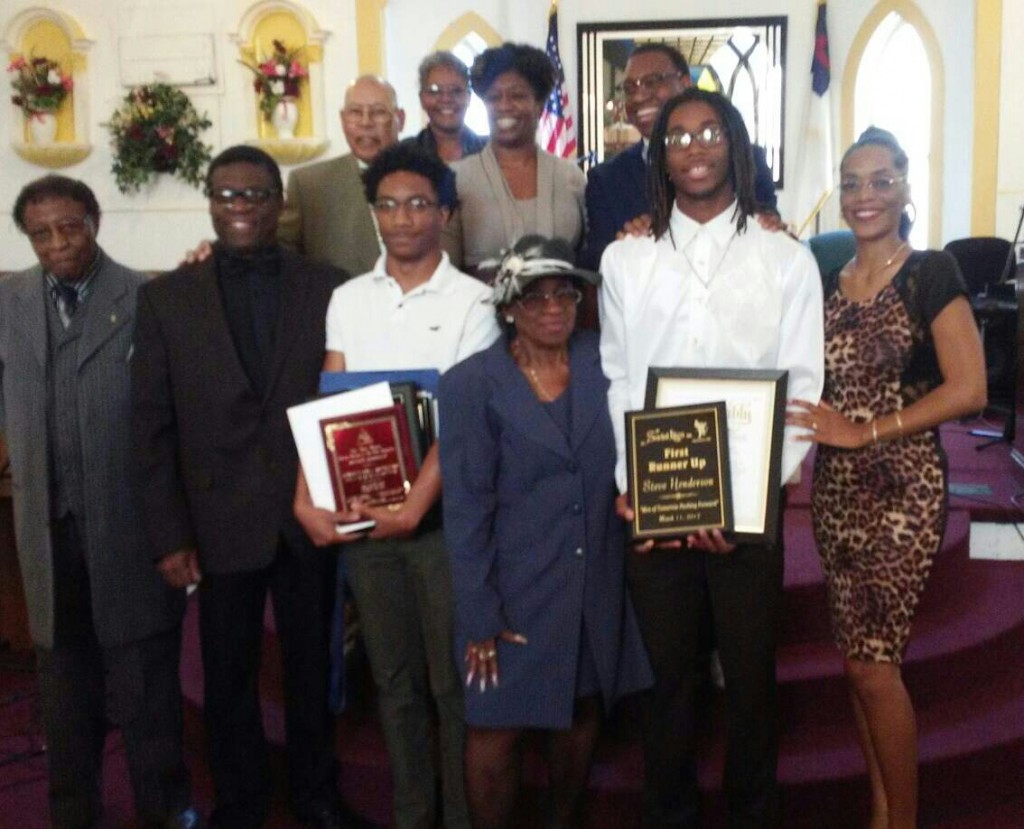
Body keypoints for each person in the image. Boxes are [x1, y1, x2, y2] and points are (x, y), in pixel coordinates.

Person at [599, 88, 824, 826]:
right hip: (657, 508)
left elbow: (801, 388)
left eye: (710, 132)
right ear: (659, 155)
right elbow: (620, 379)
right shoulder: (625, 258)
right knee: (666, 687)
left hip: (747, 516)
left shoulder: (785, 258)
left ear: (735, 144)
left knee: (751, 685)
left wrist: (744, 499)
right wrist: (640, 487)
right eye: (678, 137)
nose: (694, 147)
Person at [131, 146, 358, 829]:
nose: (241, 208)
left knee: (312, 671)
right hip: (217, 519)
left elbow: (350, 395)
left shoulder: (329, 285)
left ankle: (317, 795)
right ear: (209, 202)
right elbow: (150, 426)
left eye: (255, 195)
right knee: (228, 679)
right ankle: (242, 800)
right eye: (227, 196)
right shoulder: (165, 297)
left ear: (278, 204)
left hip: (307, 513)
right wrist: (169, 536)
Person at [294, 140, 498, 829]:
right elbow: (331, 405)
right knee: (394, 684)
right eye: (388, 204)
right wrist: (305, 494)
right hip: (366, 522)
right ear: (372, 212)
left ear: (444, 212)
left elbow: (466, 418)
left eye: (418, 204)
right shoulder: (348, 299)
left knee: (450, 686)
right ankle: (414, 816)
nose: (403, 218)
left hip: (441, 525)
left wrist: (416, 506)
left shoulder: (476, 301)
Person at [787, 127, 986, 829]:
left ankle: (901, 820)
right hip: (836, 492)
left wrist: (865, 429)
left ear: (905, 188)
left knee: (875, 665)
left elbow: (969, 389)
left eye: (880, 180)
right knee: (856, 665)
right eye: (851, 182)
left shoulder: (929, 272)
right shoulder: (823, 280)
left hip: (902, 489)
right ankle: (880, 808)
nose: (864, 195)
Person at [0, 175, 198, 829]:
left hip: (130, 531)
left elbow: (175, 422)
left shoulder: (147, 296)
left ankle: (166, 809)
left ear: (95, 220)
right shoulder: (10, 301)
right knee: (64, 694)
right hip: (46, 534)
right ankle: (72, 813)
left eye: (70, 226)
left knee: (145, 690)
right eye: (41, 233)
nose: (58, 243)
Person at [440, 236, 653, 828]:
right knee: (495, 727)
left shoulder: (606, 361)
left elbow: (647, 441)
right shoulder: (469, 385)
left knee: (581, 708)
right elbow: (465, 507)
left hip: (593, 582)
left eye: (566, 293)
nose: (554, 307)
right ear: (507, 307)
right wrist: (479, 612)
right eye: (535, 298)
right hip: (513, 588)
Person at [581, 42, 779, 272]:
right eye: (629, 88)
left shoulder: (746, 158)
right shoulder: (605, 180)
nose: (638, 96)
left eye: (651, 82)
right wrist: (626, 244)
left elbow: (766, 225)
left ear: (685, 82)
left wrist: (769, 224)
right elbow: (595, 266)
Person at [442, 43, 586, 273]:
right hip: (480, 307)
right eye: (494, 97)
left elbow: (586, 262)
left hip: (557, 307)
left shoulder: (572, 178)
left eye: (517, 95)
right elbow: (445, 271)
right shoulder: (457, 179)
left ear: (539, 105)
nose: (504, 106)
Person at [277, 75, 405, 276]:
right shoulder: (309, 186)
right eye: (355, 112)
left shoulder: (427, 178)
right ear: (343, 119)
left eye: (378, 112)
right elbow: (276, 256)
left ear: (401, 119)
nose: (366, 122)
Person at [413, 51, 487, 163]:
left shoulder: (490, 152)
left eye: (456, 91)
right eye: (435, 91)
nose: (446, 99)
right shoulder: (404, 155)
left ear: (468, 97)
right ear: (422, 98)